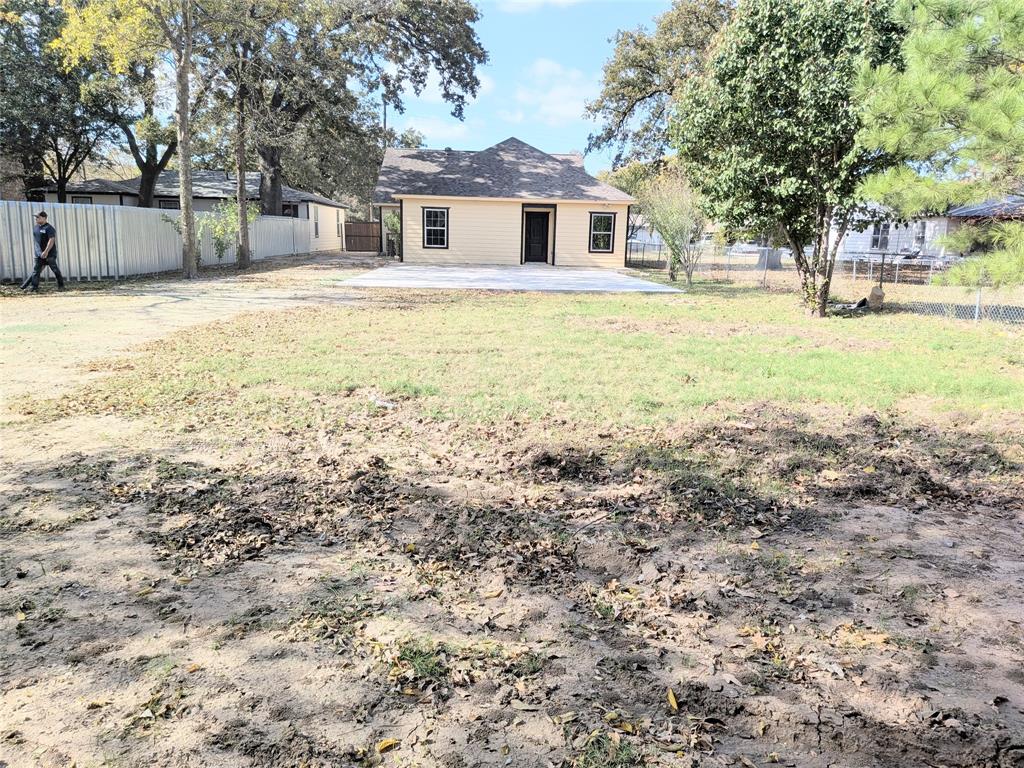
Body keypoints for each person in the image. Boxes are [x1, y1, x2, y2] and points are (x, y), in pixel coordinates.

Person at [20, 211, 65, 292]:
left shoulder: (49, 228)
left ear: (44, 218)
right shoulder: (35, 228)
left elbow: (51, 240)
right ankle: (34, 288)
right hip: (39, 254)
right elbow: (36, 241)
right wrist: (38, 252)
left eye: (38, 217)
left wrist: (46, 251)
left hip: (49, 254)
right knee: (36, 271)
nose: (36, 219)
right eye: (36, 217)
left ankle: (61, 286)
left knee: (55, 270)